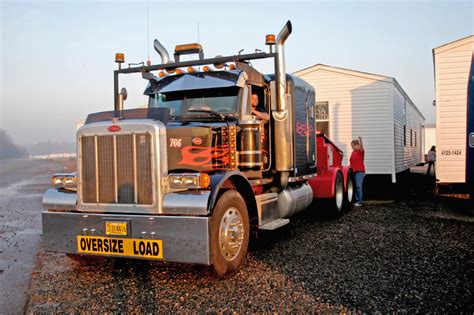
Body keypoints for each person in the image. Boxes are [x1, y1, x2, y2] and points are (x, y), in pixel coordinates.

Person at [350, 136, 365, 207]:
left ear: (357, 145)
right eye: (351, 146)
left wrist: (360, 140)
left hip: (360, 172)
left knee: (358, 186)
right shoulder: (353, 152)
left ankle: (359, 202)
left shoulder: (360, 152)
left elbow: (361, 147)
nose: (352, 147)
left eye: (353, 146)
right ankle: (357, 201)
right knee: (356, 186)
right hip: (354, 172)